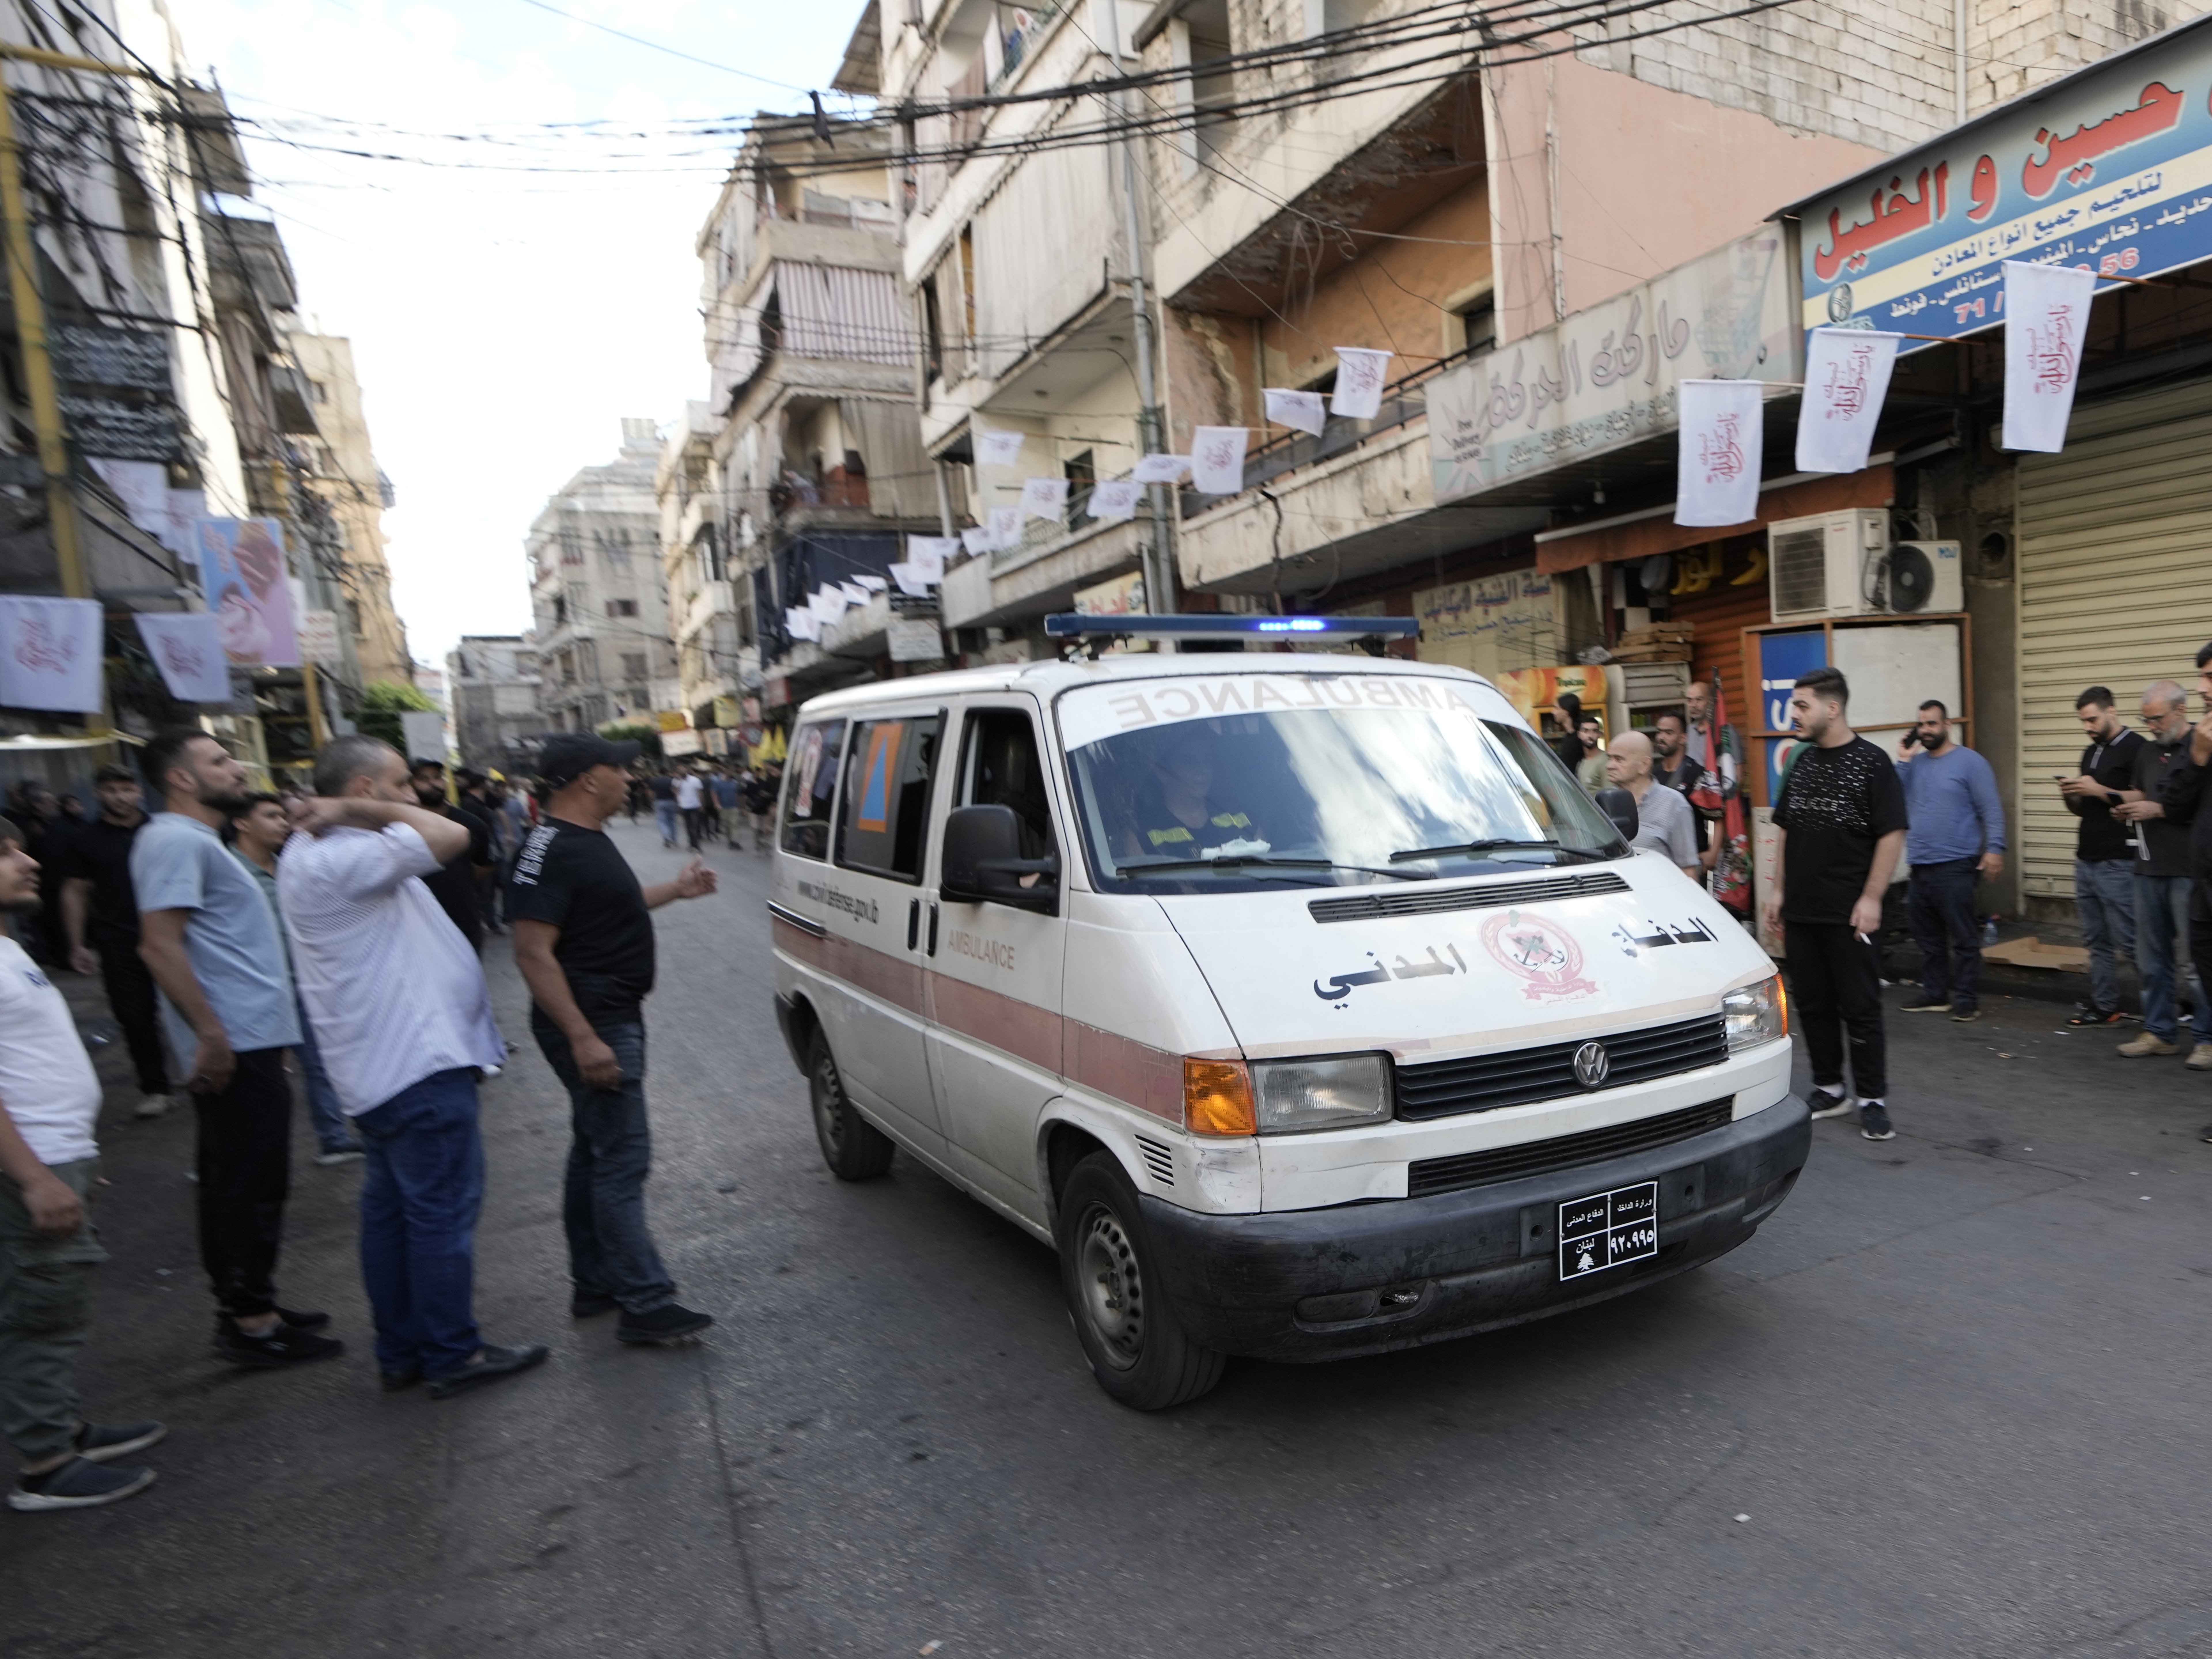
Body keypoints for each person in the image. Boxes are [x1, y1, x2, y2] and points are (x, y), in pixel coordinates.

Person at [282, 736, 546, 1398]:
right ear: (364, 791)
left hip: (384, 1070)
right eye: (400, 783)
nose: (414, 793)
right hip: (415, 1067)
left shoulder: (320, 851)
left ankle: (402, 1349)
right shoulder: (342, 852)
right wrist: (349, 809)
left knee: (397, 1216)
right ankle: (454, 1352)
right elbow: (451, 831)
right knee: (438, 1217)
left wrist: (348, 809)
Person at [130, 728, 340, 1369]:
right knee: (248, 1183)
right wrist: (214, 1036)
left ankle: (253, 1304)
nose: (237, 766)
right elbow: (159, 945)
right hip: (233, 1043)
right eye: (219, 761)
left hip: (251, 1038)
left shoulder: (199, 842)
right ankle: (252, 1322)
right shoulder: (172, 839)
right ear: (181, 780)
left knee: (243, 1177)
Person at [508, 734, 718, 1346]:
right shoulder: (553, 848)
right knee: (622, 1160)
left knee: (594, 1153)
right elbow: (531, 951)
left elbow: (610, 910)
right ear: (586, 779)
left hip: (604, 1013)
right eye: (619, 767)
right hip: (596, 1020)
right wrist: (583, 1037)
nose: (631, 776)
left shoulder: (573, 841)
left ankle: (596, 1281)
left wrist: (677, 890)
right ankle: (644, 1302)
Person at [0, 816, 166, 1511]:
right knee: (38, 1311)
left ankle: (64, 1424)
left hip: (55, 1155)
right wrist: (36, 1176)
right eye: (6, 853)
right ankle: (46, 1462)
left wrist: (69, 1159)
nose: (28, 859)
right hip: (31, 1168)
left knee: (55, 1301)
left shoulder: (9, 946)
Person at [1761, 667, 1909, 1142]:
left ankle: (1872, 1099)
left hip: (1850, 913)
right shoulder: (1802, 762)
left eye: (1802, 706)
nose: (1793, 715)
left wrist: (1871, 898)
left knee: (1861, 1007)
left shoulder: (1872, 762)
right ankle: (1830, 1088)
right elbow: (1786, 830)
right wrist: (1779, 892)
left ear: (1832, 708)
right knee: (1813, 1005)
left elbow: (1892, 833)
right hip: (1803, 911)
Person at [227, 793, 363, 1166]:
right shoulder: (228, 870)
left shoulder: (288, 864)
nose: (283, 823)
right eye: (271, 816)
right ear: (242, 824)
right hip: (259, 992)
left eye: (284, 816)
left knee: (322, 1063)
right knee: (257, 1080)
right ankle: (232, 1153)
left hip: (304, 982)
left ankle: (334, 1138)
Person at [52, 763, 173, 1119]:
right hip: (119, 939)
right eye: (112, 791)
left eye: (126, 789)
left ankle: (207, 1067)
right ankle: (156, 1087)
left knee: (188, 1004)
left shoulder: (161, 831)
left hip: (173, 934)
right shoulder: (85, 839)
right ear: (98, 794)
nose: (120, 797)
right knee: (134, 1015)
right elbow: (74, 891)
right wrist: (77, 944)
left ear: (138, 792)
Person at [1892, 700, 2006, 1022]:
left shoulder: (1971, 763)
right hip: (1921, 865)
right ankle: (1935, 995)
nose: (1926, 730)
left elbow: (1991, 809)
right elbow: (1892, 799)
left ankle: (1968, 1000)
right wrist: (1903, 759)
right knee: (1928, 939)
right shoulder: (1914, 765)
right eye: (1922, 725)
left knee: (1964, 938)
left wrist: (1996, 849)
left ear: (1947, 726)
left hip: (1957, 864)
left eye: (1932, 724)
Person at [2112, 681, 2200, 1060]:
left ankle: (2207, 1038)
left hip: (2190, 869)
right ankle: (2159, 1032)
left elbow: (2196, 803)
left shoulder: (2202, 747)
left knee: (2196, 961)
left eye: (2157, 718)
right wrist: (2120, 803)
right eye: (2145, 719)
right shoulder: (2149, 751)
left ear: (2180, 711)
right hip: (2149, 866)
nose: (2151, 726)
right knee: (2152, 959)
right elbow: (2141, 791)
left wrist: (2157, 809)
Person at [2057, 686, 2147, 1027]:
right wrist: (2072, 794)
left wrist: (2098, 790)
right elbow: (2083, 811)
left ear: (2112, 711)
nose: (2088, 727)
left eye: (2093, 719)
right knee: (2097, 940)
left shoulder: (2137, 748)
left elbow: (2142, 796)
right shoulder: (2090, 752)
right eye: (2083, 721)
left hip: (2119, 860)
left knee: (2131, 939)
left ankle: (2163, 1008)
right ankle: (2105, 1005)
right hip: (2087, 858)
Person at [2163, 645, 2212, 1091]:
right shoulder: (2202, 739)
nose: (2202, 688)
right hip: (2206, 897)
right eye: (2202, 678)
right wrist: (2197, 757)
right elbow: (2175, 807)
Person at [1117, 729, 1258, 859]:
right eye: (1189, 762)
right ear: (1163, 773)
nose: (1203, 770)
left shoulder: (1238, 815)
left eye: (1207, 761)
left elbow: (1268, 864)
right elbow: (1147, 885)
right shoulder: (1142, 832)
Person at [408, 758, 494, 951]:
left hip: (463, 920)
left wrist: (460, 881)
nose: (434, 784)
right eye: (423, 779)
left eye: (438, 778)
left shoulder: (471, 823)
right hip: (417, 926)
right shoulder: (399, 827)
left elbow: (488, 863)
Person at [1603, 731, 1700, 880]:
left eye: (1619, 760)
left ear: (1644, 765)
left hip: (1660, 898)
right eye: (1609, 758)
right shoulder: (1606, 801)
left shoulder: (1674, 804)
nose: (1609, 766)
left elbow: (1688, 871)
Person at [742, 763, 779, 854]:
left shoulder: (766, 784)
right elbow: (745, 796)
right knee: (756, 829)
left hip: (764, 810)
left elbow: (773, 796)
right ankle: (757, 845)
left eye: (758, 773)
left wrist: (766, 795)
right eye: (755, 773)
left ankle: (764, 843)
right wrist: (744, 808)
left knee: (764, 829)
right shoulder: (750, 785)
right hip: (753, 810)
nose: (757, 775)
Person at [1572, 715, 1607, 796]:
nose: (1590, 735)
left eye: (1594, 731)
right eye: (1586, 731)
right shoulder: (1582, 763)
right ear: (1579, 734)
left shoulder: (1606, 761)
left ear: (1600, 734)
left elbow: (1612, 795)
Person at [673, 767, 705, 852]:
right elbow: (675, 791)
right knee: (688, 826)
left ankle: (696, 844)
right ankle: (692, 844)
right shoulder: (677, 781)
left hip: (695, 805)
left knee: (695, 825)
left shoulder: (695, 780)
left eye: (683, 771)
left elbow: (700, 792)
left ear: (687, 772)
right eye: (679, 771)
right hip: (684, 806)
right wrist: (679, 782)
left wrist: (701, 804)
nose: (681, 772)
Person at [648, 770, 678, 848]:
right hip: (671, 802)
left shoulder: (655, 781)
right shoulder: (672, 781)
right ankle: (674, 839)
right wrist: (676, 800)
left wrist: (651, 801)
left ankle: (667, 836)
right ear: (667, 773)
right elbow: (675, 792)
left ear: (659, 773)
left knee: (662, 821)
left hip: (660, 802)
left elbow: (651, 793)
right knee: (672, 821)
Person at [710, 766, 739, 844]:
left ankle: (733, 841)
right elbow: (714, 793)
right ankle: (730, 839)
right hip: (723, 807)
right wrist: (717, 804)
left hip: (734, 806)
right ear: (726, 772)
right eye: (731, 771)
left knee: (734, 824)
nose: (733, 773)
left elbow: (737, 794)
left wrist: (740, 806)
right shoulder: (718, 782)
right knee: (726, 825)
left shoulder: (734, 783)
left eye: (733, 772)